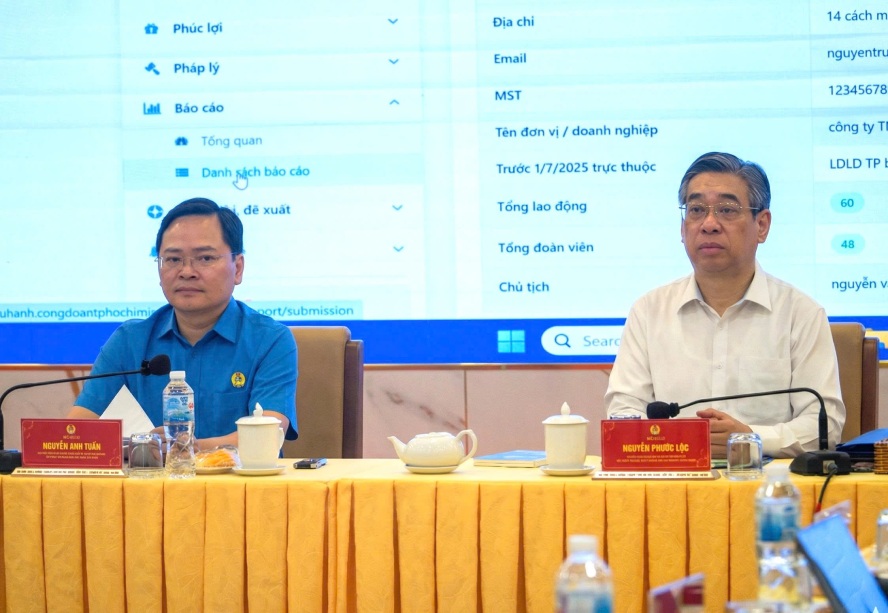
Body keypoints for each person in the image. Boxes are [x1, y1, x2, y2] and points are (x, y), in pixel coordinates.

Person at [604, 152, 844, 458]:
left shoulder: (801, 314)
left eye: (727, 210)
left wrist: (750, 439)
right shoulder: (649, 312)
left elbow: (824, 427)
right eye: (696, 210)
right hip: (674, 487)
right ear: (682, 227)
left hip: (769, 492)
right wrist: (682, 441)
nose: (709, 224)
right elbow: (624, 414)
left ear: (762, 225)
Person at [68, 197, 297, 450]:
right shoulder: (129, 341)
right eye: (173, 260)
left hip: (242, 488)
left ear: (238, 268)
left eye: (205, 258)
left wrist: (186, 449)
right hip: (147, 487)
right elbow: (79, 432)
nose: (187, 271)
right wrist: (138, 445)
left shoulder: (269, 340)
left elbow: (267, 436)